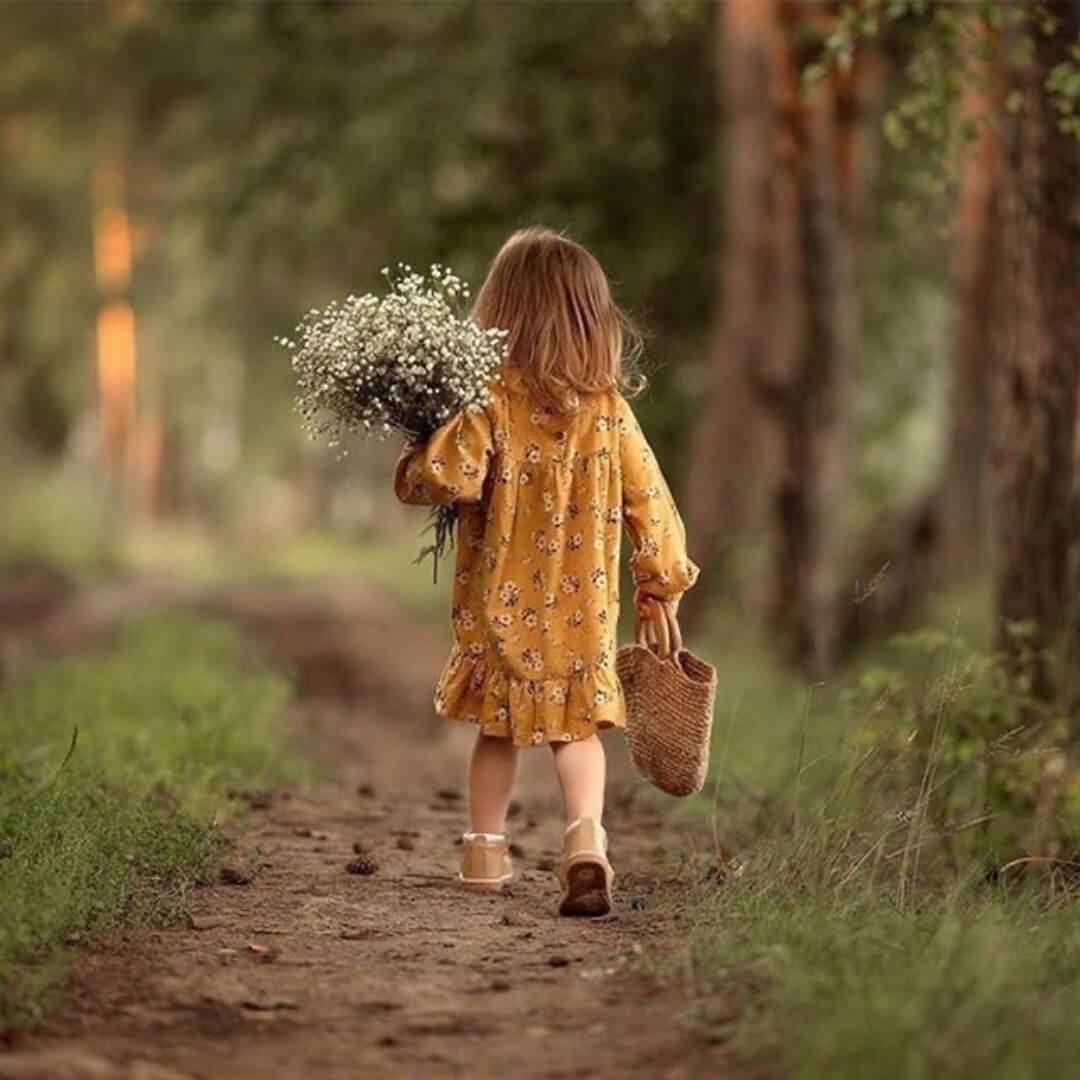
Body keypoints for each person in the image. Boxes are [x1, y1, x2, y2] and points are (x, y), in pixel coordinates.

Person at [394, 226, 698, 916]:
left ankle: (484, 849)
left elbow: (448, 478)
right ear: (593, 319)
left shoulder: (489, 402)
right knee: (577, 734)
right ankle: (585, 839)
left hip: (500, 608)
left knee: (496, 733)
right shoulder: (609, 413)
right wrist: (660, 583)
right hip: (582, 617)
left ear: (501, 312)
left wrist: (419, 446)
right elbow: (652, 503)